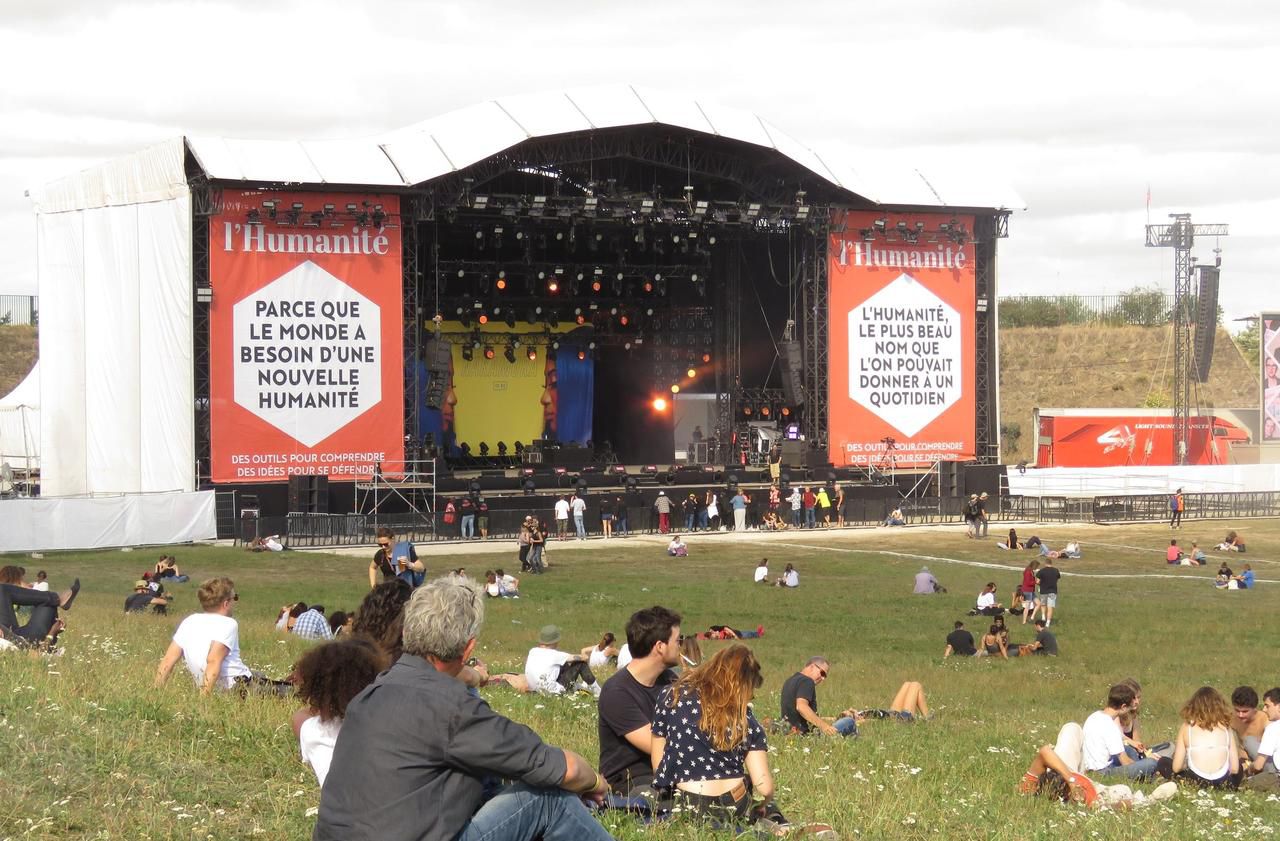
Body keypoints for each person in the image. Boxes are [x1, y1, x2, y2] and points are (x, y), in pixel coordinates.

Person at [313, 576, 614, 841]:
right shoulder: (451, 708)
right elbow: (565, 768)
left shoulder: (370, 696)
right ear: (468, 649)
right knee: (548, 798)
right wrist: (597, 783)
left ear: (407, 633)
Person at [651, 645, 777, 827]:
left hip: (685, 801)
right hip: (735, 802)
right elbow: (764, 787)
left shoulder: (673, 695)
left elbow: (659, 766)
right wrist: (762, 804)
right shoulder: (744, 718)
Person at [154, 577, 291, 696]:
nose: (235, 602)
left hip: (221, 683)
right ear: (226, 603)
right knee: (294, 692)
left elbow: (168, 660)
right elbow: (213, 660)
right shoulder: (228, 624)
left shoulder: (189, 621)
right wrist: (204, 699)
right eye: (234, 598)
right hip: (237, 687)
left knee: (259, 675)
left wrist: (156, 691)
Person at [597, 605, 682, 796]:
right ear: (660, 646)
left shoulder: (671, 680)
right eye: (678, 640)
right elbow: (657, 746)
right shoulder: (617, 692)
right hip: (631, 780)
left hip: (670, 768)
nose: (681, 645)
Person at [291, 636, 388, 786]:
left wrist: (326, 703)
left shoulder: (313, 732)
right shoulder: (388, 728)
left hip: (336, 808)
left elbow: (301, 715)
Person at [1081, 682, 1165, 781]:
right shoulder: (1111, 727)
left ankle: (1145, 774)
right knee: (1152, 763)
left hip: (1092, 765)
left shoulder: (1094, 716)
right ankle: (1148, 776)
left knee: (1128, 749)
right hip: (1103, 772)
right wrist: (1140, 766)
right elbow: (1125, 762)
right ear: (1123, 707)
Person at [1170, 686, 1240, 788]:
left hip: (1196, 781)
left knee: (1163, 762)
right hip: (1223, 782)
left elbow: (1176, 767)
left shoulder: (1187, 727)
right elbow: (1235, 768)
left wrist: (1186, 765)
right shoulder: (1226, 727)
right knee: (1241, 769)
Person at [0, 567, 78, 650]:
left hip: (14, 633)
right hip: (20, 642)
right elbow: (34, 656)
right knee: (48, 604)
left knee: (2, 589)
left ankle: (57, 599)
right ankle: (57, 599)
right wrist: (52, 633)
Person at [781, 656, 858, 736]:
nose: (822, 678)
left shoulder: (790, 681)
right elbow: (801, 707)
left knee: (844, 721)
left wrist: (836, 719)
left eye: (825, 676)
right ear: (812, 667)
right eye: (822, 673)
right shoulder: (807, 681)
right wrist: (825, 727)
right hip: (807, 736)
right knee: (850, 722)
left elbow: (804, 717)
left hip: (791, 734)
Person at [524, 624, 601, 698]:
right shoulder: (555, 654)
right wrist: (585, 655)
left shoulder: (532, 651)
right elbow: (582, 658)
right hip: (553, 693)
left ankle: (577, 687)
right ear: (555, 641)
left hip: (536, 691)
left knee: (563, 663)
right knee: (580, 664)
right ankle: (599, 692)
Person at [1242, 688, 1280, 792]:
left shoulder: (1273, 728)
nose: (1264, 710)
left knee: (1242, 785)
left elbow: (1258, 765)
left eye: (1267, 706)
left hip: (1276, 777)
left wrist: (1248, 770)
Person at [1231, 686, 1269, 763]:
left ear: (1254, 708)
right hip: (1240, 758)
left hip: (1262, 758)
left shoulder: (1265, 719)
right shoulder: (1231, 719)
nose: (1240, 715)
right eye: (1237, 710)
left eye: (1245, 711)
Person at [1036, 557, 1061, 626]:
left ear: (1045, 563)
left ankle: (1043, 616)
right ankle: (1048, 622)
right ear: (1051, 563)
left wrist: (1040, 584)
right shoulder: (1056, 570)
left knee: (1043, 605)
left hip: (1043, 590)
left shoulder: (1041, 571)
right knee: (1050, 607)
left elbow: (1037, 581)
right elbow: (1057, 578)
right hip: (1053, 591)